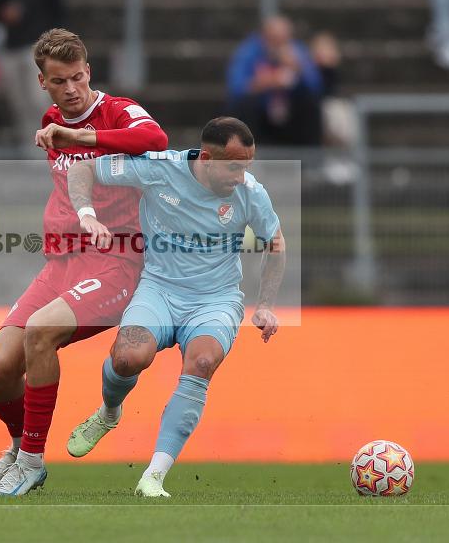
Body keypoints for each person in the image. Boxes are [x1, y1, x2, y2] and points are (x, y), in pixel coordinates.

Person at [0, 28, 169, 496]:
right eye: (60, 81)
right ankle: (18, 448)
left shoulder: (118, 110)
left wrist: (79, 134)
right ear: (42, 82)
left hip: (116, 262)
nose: (71, 89)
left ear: (89, 71)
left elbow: (155, 137)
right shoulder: (50, 119)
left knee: (41, 332)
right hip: (61, 264)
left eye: (78, 77)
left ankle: (32, 462)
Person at [64, 117, 286, 497]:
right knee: (127, 358)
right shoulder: (160, 168)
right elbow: (83, 168)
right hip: (159, 290)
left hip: (216, 299)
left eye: (246, 166)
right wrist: (87, 215)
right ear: (206, 158)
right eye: (233, 167)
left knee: (202, 362)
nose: (241, 176)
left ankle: (154, 476)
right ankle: (109, 412)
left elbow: (275, 243)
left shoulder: (251, 193)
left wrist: (265, 305)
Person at [0, 0, 65, 152]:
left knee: (39, 98)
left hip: (38, 48)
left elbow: (58, 10)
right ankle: (29, 146)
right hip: (12, 47)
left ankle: (54, 144)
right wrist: (4, 13)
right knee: (18, 102)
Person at [227, 15, 324, 147]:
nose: (279, 45)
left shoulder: (298, 51)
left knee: (310, 105)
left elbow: (316, 86)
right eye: (274, 39)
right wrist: (265, 83)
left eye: (284, 40)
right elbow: (236, 88)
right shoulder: (249, 51)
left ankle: (309, 155)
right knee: (244, 106)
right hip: (260, 112)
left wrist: (298, 68)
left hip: (291, 112)